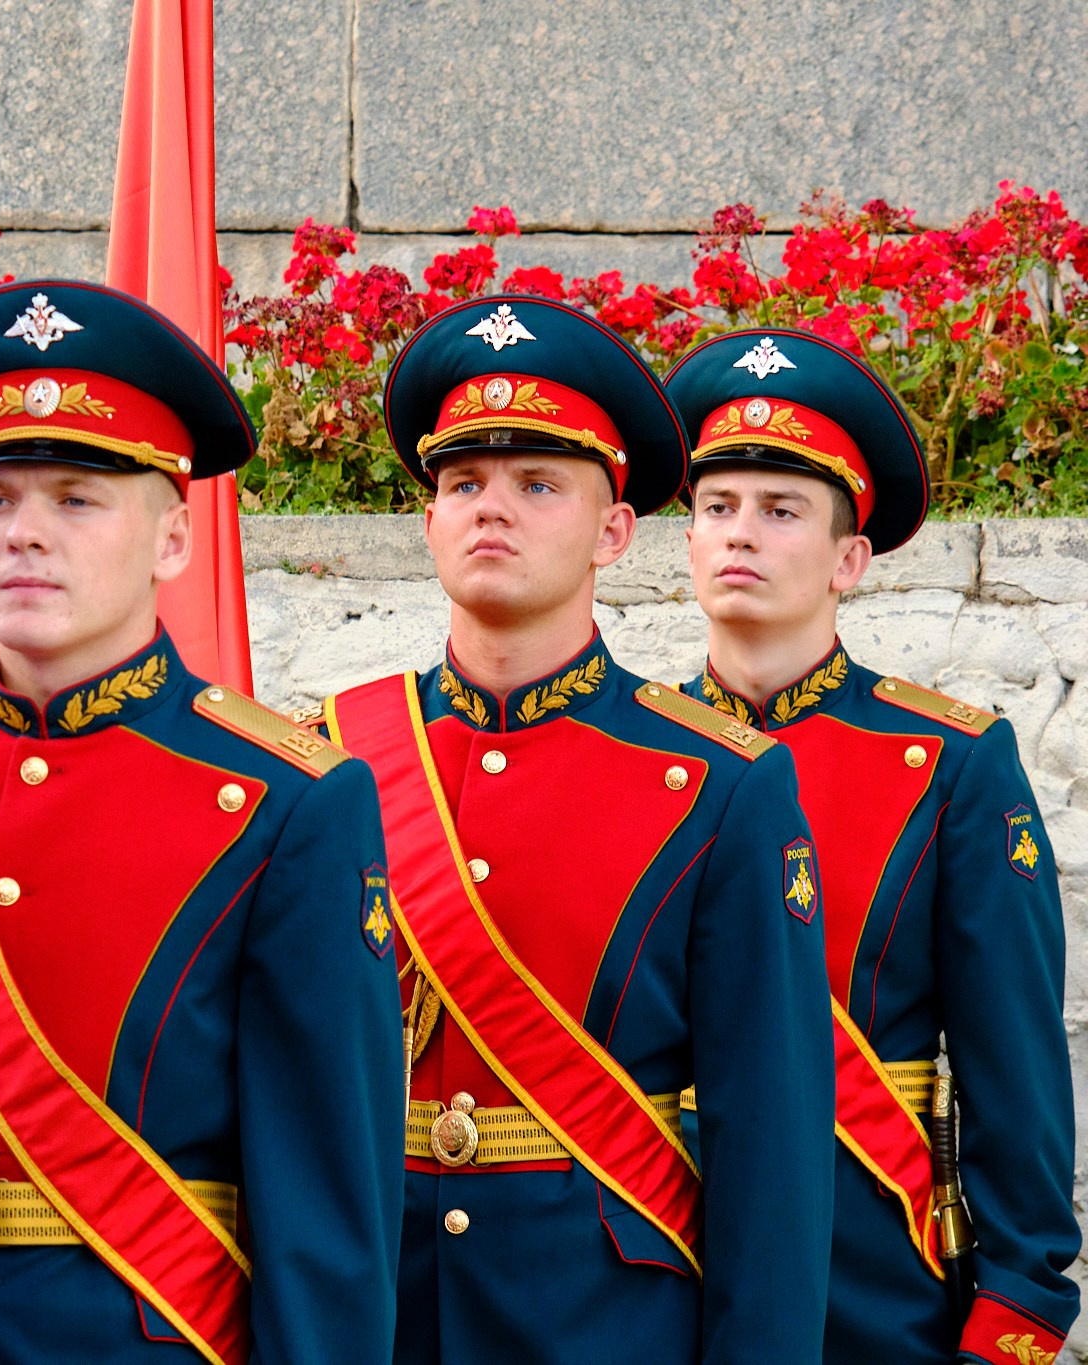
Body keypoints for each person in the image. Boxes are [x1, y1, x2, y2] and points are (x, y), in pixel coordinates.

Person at [0, 280, 403, 1363]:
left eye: (76, 499)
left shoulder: (286, 801)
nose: (25, 533)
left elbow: (323, 1211)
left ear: (172, 539)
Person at [313, 296, 835, 1363]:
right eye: (461, 484)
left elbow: (770, 1146)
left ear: (613, 529)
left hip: (605, 1321)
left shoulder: (720, 783)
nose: (487, 509)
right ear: (426, 524)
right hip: (370, 1316)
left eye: (536, 484)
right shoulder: (327, 758)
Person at [668, 327, 1080, 1364]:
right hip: (648, 1256)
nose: (737, 536)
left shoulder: (948, 763)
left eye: (778, 511)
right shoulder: (636, 753)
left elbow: (1011, 1065)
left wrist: (1019, 1295)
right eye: (715, 508)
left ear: (848, 558)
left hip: (866, 1272)